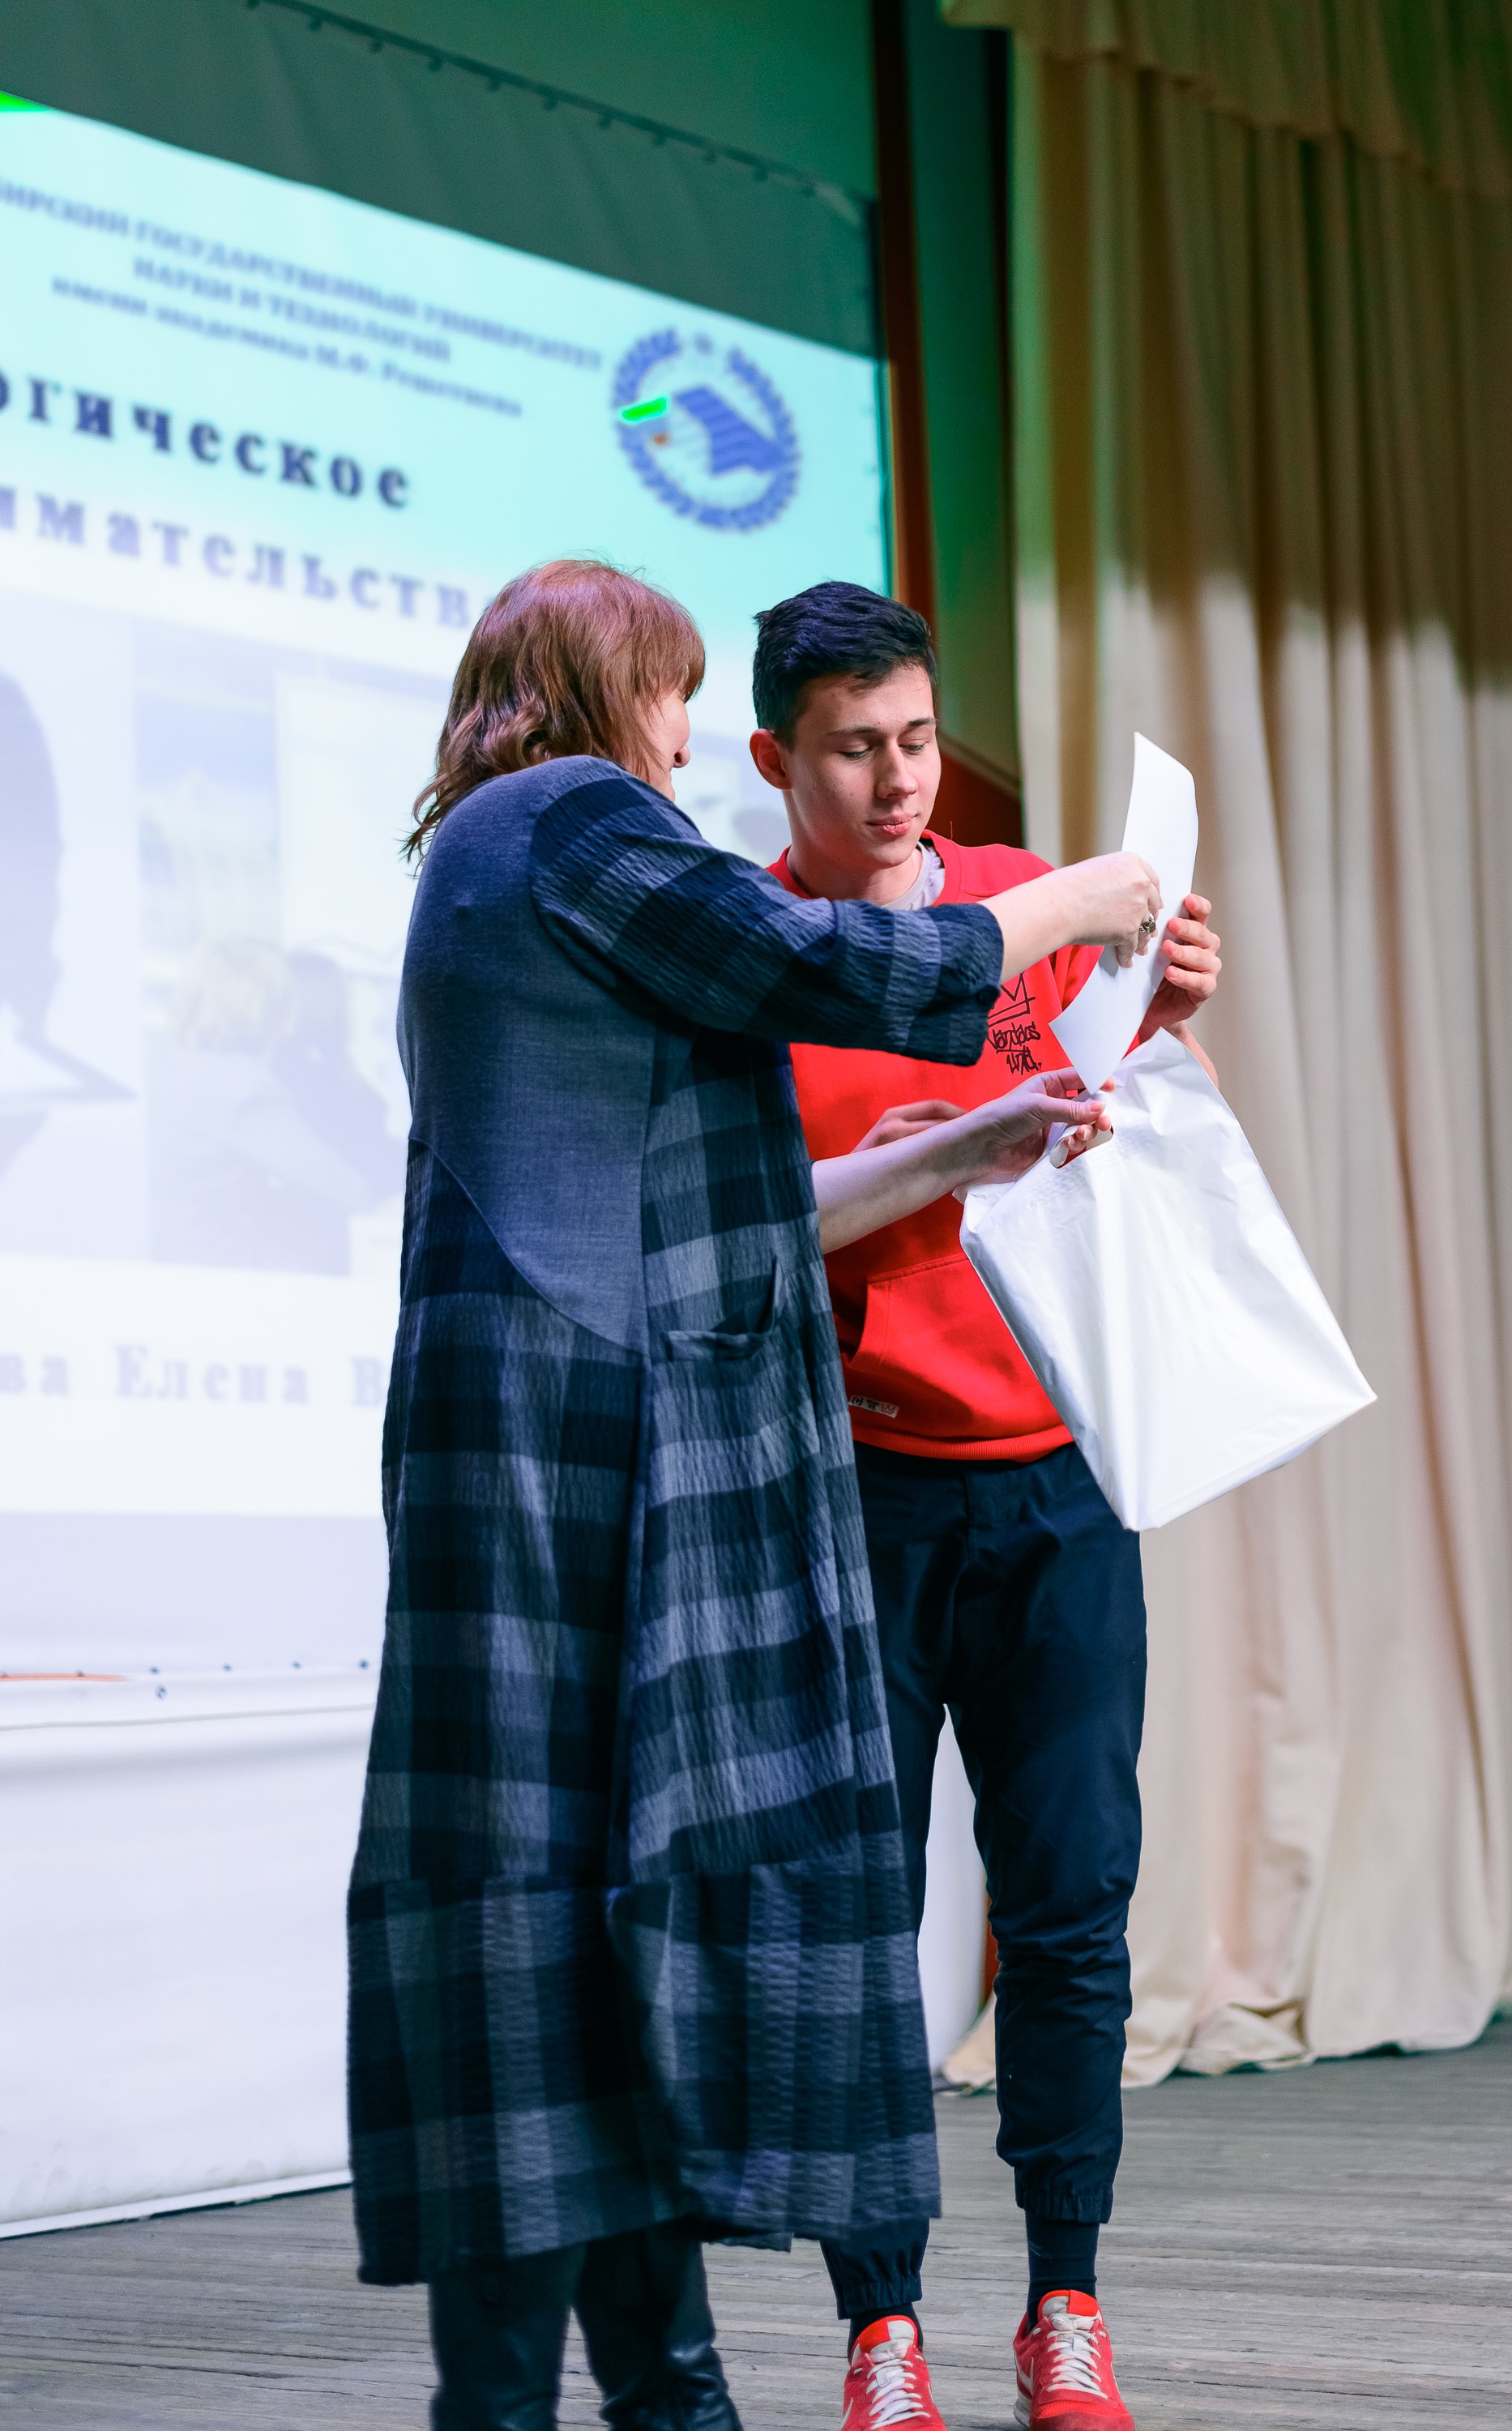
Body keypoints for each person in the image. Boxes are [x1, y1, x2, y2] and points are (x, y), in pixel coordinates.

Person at [344, 558, 1165, 2431]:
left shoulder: (507, 860)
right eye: (673, 690)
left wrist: (965, 1142)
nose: (681, 733)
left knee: (600, 1938)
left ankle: (676, 2397)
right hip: (562, 1477)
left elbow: (742, 1210)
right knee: (538, 1948)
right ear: (598, 689)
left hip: (576, 1464)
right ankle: (575, 2403)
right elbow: (839, 963)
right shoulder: (569, 820)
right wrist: (1087, 893)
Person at [748, 582, 1224, 2431]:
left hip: (1057, 1487)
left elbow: (1140, 1127)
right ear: (774, 759)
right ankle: (878, 2327)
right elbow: (735, 1241)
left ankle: (1063, 2302)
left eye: (917, 741)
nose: (895, 783)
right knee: (857, 1922)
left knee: (1070, 1911)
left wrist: (1164, 1012)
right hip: (854, 1499)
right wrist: (889, 1169)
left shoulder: (1024, 901)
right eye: (851, 751)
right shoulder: (749, 959)